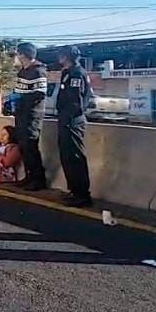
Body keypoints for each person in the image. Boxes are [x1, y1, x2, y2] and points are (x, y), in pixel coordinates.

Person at [56, 46, 93, 207]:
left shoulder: (77, 73)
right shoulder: (67, 72)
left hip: (73, 120)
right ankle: (74, 190)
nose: (59, 58)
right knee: (66, 156)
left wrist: (68, 117)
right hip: (64, 119)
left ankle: (83, 194)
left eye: (61, 56)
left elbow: (76, 101)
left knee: (75, 156)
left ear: (67, 57)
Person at [13, 42, 48, 191]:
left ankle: (38, 179)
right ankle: (29, 176)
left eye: (17, 54)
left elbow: (39, 95)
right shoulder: (22, 72)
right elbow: (18, 92)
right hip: (21, 115)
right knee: (23, 147)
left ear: (23, 54)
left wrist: (23, 101)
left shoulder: (38, 72)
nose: (16, 57)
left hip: (32, 115)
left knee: (31, 146)